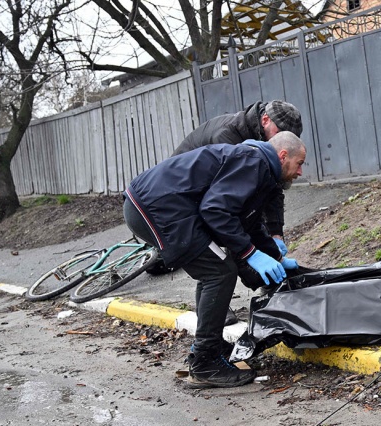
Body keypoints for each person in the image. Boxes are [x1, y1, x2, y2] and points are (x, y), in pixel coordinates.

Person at [123, 131, 306, 388]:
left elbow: (249, 225)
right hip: (156, 207)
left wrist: (274, 257)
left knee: (215, 269)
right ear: (283, 156)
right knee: (218, 272)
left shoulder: (260, 167)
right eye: (299, 164)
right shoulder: (252, 162)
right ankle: (204, 362)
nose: (300, 172)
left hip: (155, 204)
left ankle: (210, 345)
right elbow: (215, 210)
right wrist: (251, 255)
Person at [170, 100, 304, 325]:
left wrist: (275, 235)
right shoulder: (230, 137)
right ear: (265, 121)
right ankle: (216, 308)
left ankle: (270, 285)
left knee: (242, 239)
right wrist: (252, 255)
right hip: (185, 192)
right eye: (280, 133)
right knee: (215, 257)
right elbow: (230, 208)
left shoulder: (268, 147)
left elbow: (272, 189)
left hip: (215, 195)